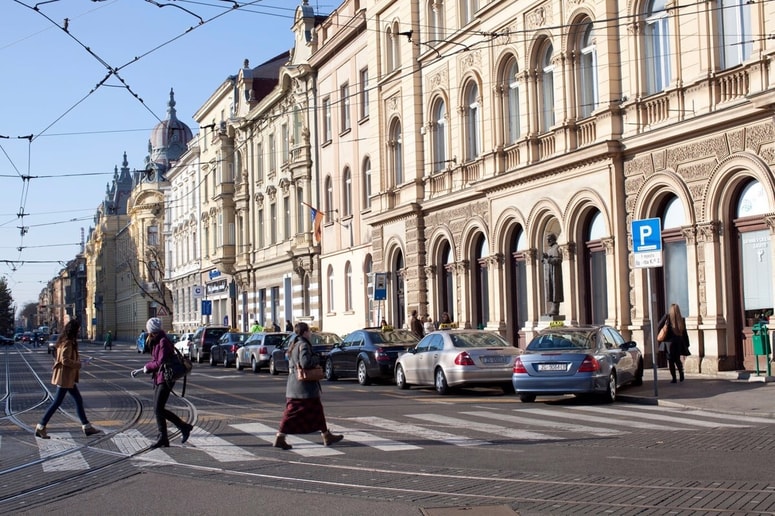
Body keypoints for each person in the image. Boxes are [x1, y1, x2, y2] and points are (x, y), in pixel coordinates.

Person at [273, 321, 343, 450]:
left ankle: (326, 435)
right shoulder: (303, 345)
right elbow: (305, 363)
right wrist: (316, 359)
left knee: (317, 410)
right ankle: (280, 437)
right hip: (303, 387)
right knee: (292, 413)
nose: (310, 333)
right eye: (309, 331)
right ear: (305, 332)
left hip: (296, 386)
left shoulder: (293, 344)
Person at [131, 317, 193, 448]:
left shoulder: (163, 341)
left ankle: (183, 427)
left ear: (152, 331)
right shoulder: (157, 340)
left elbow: (160, 361)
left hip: (166, 378)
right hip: (159, 377)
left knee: (158, 408)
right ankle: (163, 437)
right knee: (157, 409)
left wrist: (145, 368)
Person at [35, 319, 101, 439]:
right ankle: (41, 426)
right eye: (78, 329)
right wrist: (79, 364)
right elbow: (65, 360)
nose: (80, 330)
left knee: (77, 400)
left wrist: (79, 362)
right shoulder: (68, 343)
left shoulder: (64, 341)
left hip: (67, 377)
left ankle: (86, 426)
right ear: (74, 330)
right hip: (65, 377)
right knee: (57, 403)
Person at [657, 304, 691, 383]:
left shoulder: (667, 317)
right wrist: (686, 343)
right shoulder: (681, 319)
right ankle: (681, 374)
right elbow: (684, 332)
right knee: (677, 360)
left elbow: (659, 325)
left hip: (669, 343)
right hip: (678, 342)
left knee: (671, 361)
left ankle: (674, 378)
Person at [541, 233, 564, 316]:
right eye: (547, 240)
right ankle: (553, 308)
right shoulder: (549, 250)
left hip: (555, 274)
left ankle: (556, 308)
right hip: (549, 274)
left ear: (553, 239)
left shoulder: (556, 248)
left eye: (549, 239)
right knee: (551, 290)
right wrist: (544, 259)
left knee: (555, 290)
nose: (548, 241)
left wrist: (548, 259)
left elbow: (558, 260)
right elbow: (549, 259)